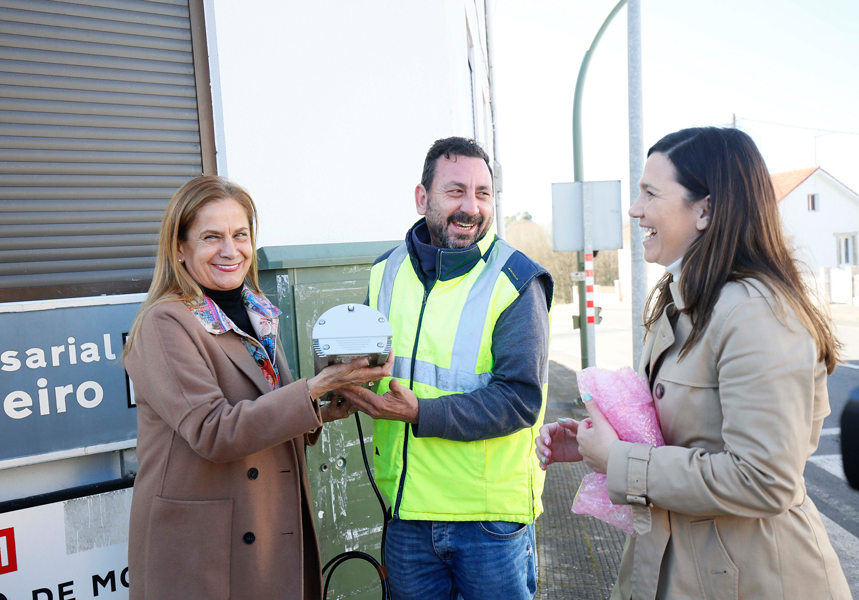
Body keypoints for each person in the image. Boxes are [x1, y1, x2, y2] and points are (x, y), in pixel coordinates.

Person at [536, 127, 851, 599]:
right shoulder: (683, 301)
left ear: (704, 210)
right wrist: (595, 444)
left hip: (756, 579)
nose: (634, 209)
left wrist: (621, 461)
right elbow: (685, 435)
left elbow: (765, 480)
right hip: (693, 568)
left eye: (650, 193)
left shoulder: (755, 313)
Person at [122, 176, 393, 600]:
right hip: (206, 547)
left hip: (264, 523)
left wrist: (324, 408)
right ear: (179, 248)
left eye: (240, 235)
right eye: (211, 237)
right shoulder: (166, 323)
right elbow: (213, 431)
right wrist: (310, 390)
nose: (231, 250)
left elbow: (265, 409)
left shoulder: (257, 311)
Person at [336, 137, 553, 600]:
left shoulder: (515, 279)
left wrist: (421, 413)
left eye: (482, 193)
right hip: (407, 515)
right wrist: (342, 383)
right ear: (423, 198)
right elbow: (370, 364)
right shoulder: (385, 271)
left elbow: (520, 400)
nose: (471, 207)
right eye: (456, 191)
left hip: (489, 522)